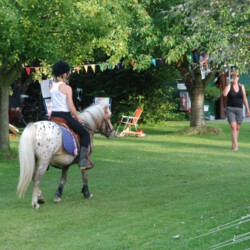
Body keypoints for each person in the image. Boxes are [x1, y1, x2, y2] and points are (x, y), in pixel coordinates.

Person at [50, 61, 93, 169]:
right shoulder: (66, 87)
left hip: (53, 116)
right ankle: (82, 161)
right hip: (64, 116)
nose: (68, 74)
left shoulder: (51, 86)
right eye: (67, 72)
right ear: (63, 73)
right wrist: (78, 117)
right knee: (85, 134)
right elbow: (71, 106)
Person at [222, 70, 250, 151]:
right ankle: (236, 145)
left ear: (238, 77)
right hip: (230, 109)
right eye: (233, 77)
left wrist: (248, 109)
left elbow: (244, 98)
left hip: (240, 109)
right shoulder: (229, 85)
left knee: (237, 128)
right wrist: (228, 84)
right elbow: (224, 94)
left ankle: (233, 143)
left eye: (236, 77)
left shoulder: (242, 86)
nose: (235, 78)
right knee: (233, 127)